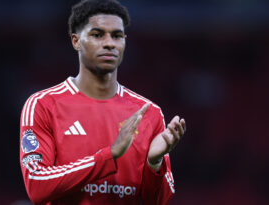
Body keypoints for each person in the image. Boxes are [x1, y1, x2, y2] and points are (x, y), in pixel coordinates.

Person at [19, 0, 186, 204]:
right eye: (97, 35)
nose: (109, 43)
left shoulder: (148, 113)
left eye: (116, 36)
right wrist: (108, 156)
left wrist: (154, 163)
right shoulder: (43, 105)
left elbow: (157, 201)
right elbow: (37, 185)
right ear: (76, 41)